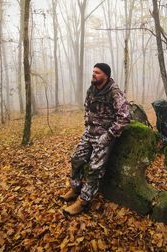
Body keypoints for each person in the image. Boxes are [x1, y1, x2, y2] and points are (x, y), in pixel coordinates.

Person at [60, 63, 130, 215]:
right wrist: (87, 124)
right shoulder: (91, 89)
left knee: (94, 168)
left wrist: (109, 135)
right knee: (76, 158)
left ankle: (83, 201)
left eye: (97, 72)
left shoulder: (114, 92)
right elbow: (86, 107)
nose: (93, 75)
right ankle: (75, 188)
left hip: (105, 136)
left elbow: (124, 117)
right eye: (93, 72)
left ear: (106, 75)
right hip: (89, 132)